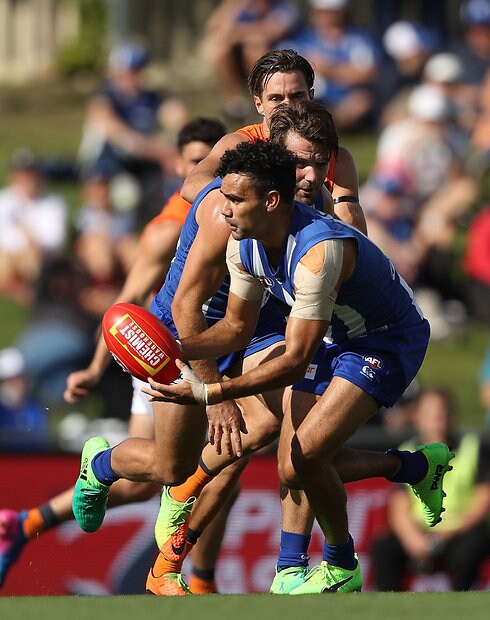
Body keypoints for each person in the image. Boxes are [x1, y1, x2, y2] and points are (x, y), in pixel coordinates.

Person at [75, 139, 454, 595]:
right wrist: (180, 352)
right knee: (279, 458)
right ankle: (410, 472)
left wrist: (211, 394)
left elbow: (294, 361)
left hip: (384, 341)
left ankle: (334, 564)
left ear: (272, 200)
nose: (224, 209)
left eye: (235, 199)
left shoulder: (318, 253)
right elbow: (236, 327)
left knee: (303, 453)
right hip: (326, 334)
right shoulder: (246, 244)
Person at [70, 99, 341, 597]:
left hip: (249, 327)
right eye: (300, 162)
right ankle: (101, 465)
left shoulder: (307, 201)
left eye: (318, 162)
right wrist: (213, 393)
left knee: (275, 419)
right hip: (183, 335)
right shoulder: (226, 208)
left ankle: (274, 568)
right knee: (170, 464)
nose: (310, 173)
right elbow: (190, 308)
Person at [0, 117, 227, 594]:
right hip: (162, 354)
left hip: (218, 350)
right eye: (193, 163)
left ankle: (27, 523)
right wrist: (97, 365)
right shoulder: (167, 229)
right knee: (183, 469)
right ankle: (191, 578)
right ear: (181, 169)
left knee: (171, 475)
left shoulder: (234, 213)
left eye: (209, 162)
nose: (202, 173)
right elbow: (125, 303)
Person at [181, 48, 366, 235]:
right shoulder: (243, 144)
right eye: (276, 99)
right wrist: (254, 205)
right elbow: (192, 186)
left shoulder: (334, 157)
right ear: (259, 104)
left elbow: (352, 233)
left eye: (297, 96)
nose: (287, 106)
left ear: (311, 97)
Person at [371, 388, 490, 591]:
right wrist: (413, 538)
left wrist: (450, 531)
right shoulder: (406, 451)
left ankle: (460, 608)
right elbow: (399, 504)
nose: (437, 417)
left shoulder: (471, 447)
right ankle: (390, 608)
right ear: (417, 417)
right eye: (430, 412)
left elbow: (483, 498)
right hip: (420, 531)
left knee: (470, 549)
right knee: (383, 548)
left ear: (452, 415)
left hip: (459, 531)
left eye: (441, 411)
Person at [78, 41, 189, 228]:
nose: (134, 77)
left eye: (138, 70)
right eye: (130, 71)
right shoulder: (105, 99)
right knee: (125, 194)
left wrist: (178, 136)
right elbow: (120, 136)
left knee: (171, 180)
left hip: (142, 164)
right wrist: (161, 151)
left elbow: (177, 115)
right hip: (108, 167)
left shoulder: (148, 98)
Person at [278, 0, 381, 132]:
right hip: (311, 97)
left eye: (333, 12)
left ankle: (327, 125)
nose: (328, 17)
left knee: (362, 101)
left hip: (346, 99)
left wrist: (329, 69)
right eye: (324, 12)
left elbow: (369, 73)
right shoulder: (301, 40)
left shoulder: (358, 40)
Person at [202, 0, 303, 120]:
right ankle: (235, 104)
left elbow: (271, 31)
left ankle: (263, 98)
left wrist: (236, 33)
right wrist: (231, 5)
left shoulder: (285, 8)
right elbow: (213, 28)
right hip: (243, 62)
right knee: (221, 48)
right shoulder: (243, 8)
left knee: (254, 45)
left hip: (283, 63)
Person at [0, 148, 68, 305]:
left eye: (30, 175)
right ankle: (26, 293)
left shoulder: (54, 203)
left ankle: (26, 292)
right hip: (10, 255)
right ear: (13, 177)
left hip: (38, 258)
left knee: (33, 257)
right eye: (22, 176)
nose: (26, 180)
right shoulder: (3, 200)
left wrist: (26, 237)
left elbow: (55, 242)